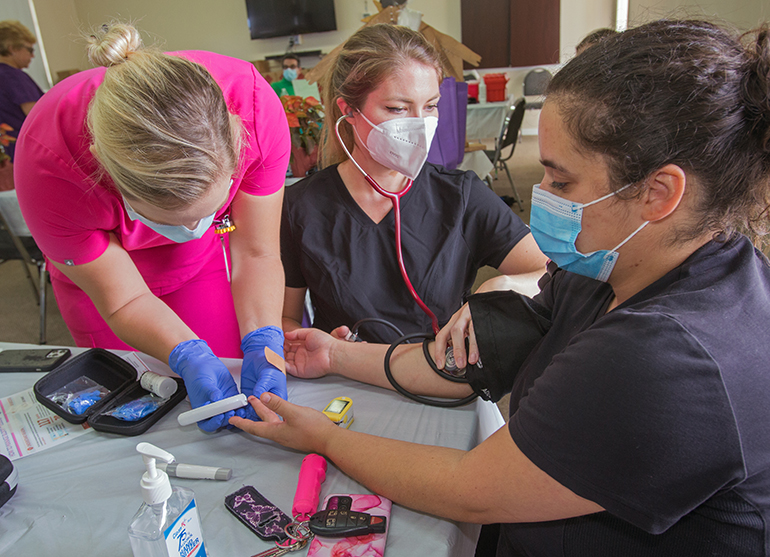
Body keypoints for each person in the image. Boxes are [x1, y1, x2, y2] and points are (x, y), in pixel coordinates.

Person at [231, 19, 770, 555]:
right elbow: (463, 363)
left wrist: (324, 438)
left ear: (658, 193)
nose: (542, 195)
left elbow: (471, 488)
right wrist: (334, 356)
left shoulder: (673, 356)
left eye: (561, 181)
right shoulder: (604, 270)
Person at [14, 23, 291, 431]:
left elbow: (257, 251)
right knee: (126, 412)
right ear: (104, 169)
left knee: (228, 377)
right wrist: (186, 354)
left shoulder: (253, 108)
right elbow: (123, 301)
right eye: (172, 220)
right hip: (101, 280)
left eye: (207, 213)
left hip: (200, 266)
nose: (196, 226)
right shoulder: (48, 160)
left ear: (237, 143)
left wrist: (264, 339)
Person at [281, 24, 547, 343]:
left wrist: (501, 287)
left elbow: (553, 276)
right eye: (398, 108)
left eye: (431, 106)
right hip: (345, 383)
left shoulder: (461, 196)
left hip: (436, 378)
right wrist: (314, 342)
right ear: (349, 110)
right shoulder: (300, 206)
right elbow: (284, 319)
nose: (420, 124)